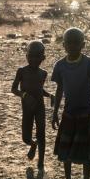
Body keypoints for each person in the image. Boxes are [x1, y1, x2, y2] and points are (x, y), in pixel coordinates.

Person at [51, 27, 90, 179]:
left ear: (83, 45)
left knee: (86, 154)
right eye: (69, 43)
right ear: (64, 45)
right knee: (65, 151)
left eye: (77, 43)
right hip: (68, 113)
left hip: (87, 114)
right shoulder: (60, 66)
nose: (73, 46)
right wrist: (54, 111)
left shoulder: (89, 63)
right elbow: (59, 89)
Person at [12, 41, 54, 170]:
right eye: (31, 56)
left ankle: (41, 161)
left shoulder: (43, 73)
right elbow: (14, 89)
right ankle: (33, 145)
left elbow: (39, 89)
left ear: (43, 58)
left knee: (41, 133)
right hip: (27, 108)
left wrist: (50, 95)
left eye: (37, 57)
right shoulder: (22, 71)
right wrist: (24, 95)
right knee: (26, 137)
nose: (33, 60)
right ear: (26, 56)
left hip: (39, 107)